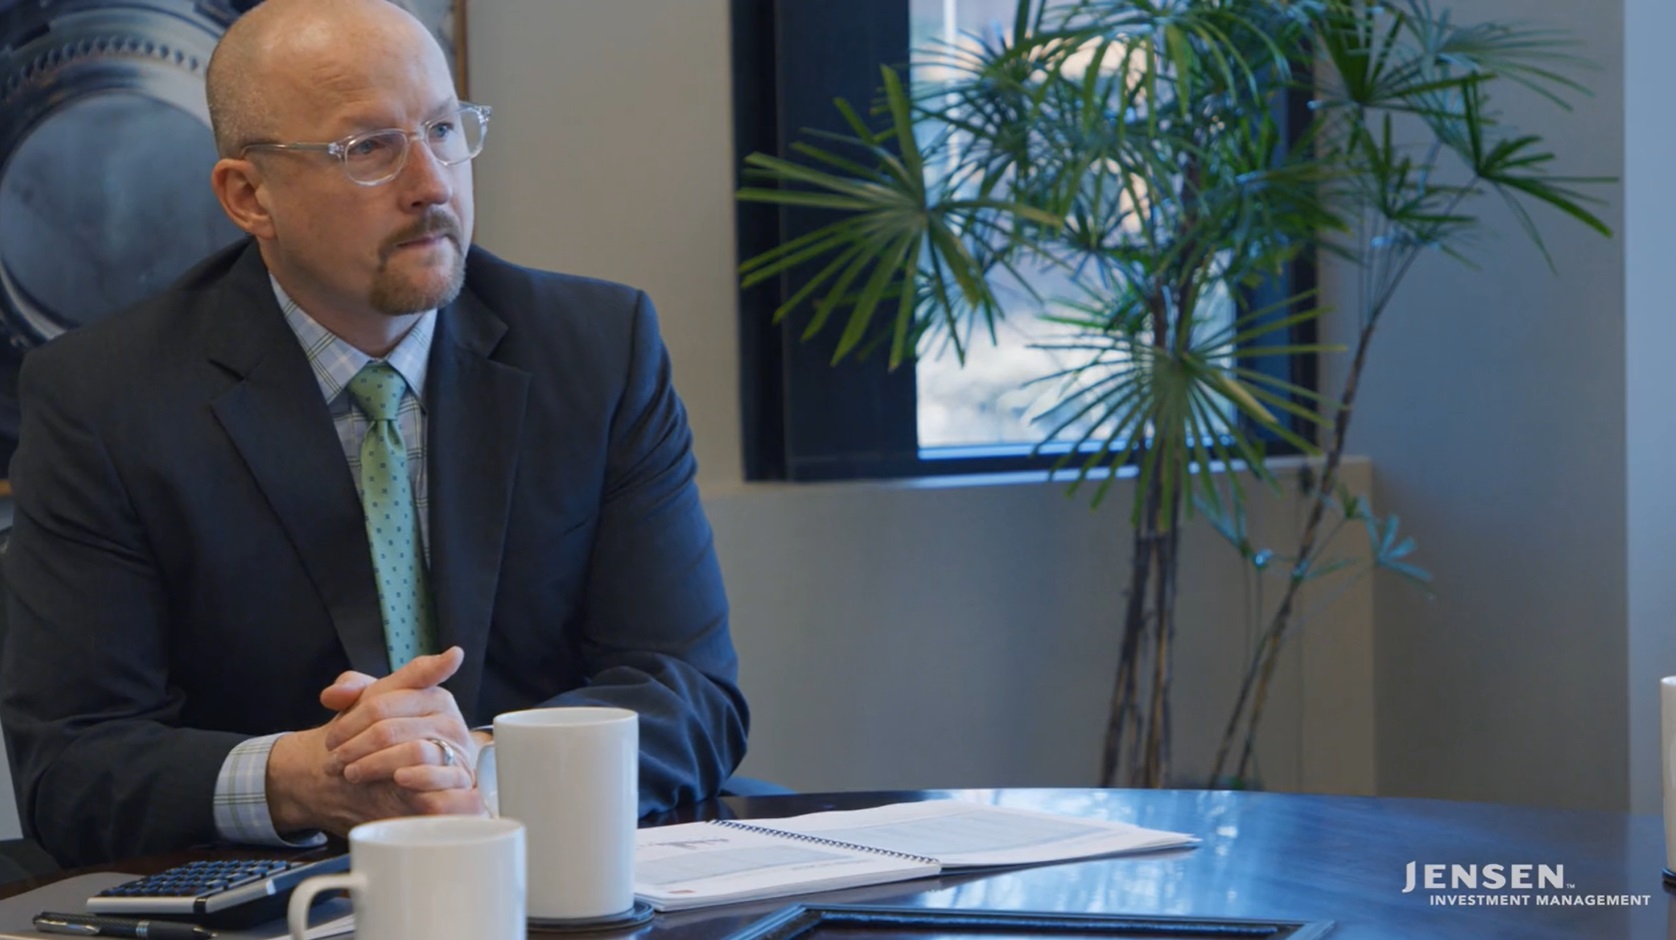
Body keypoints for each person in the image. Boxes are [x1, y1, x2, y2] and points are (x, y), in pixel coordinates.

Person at [0, 0, 747, 867]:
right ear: (250, 196)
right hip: (284, 891)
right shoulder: (105, 399)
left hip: (559, 871)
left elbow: (691, 691)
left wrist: (474, 764)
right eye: (369, 149)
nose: (432, 182)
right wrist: (301, 775)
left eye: (443, 129)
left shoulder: (597, 348)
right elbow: (74, 765)